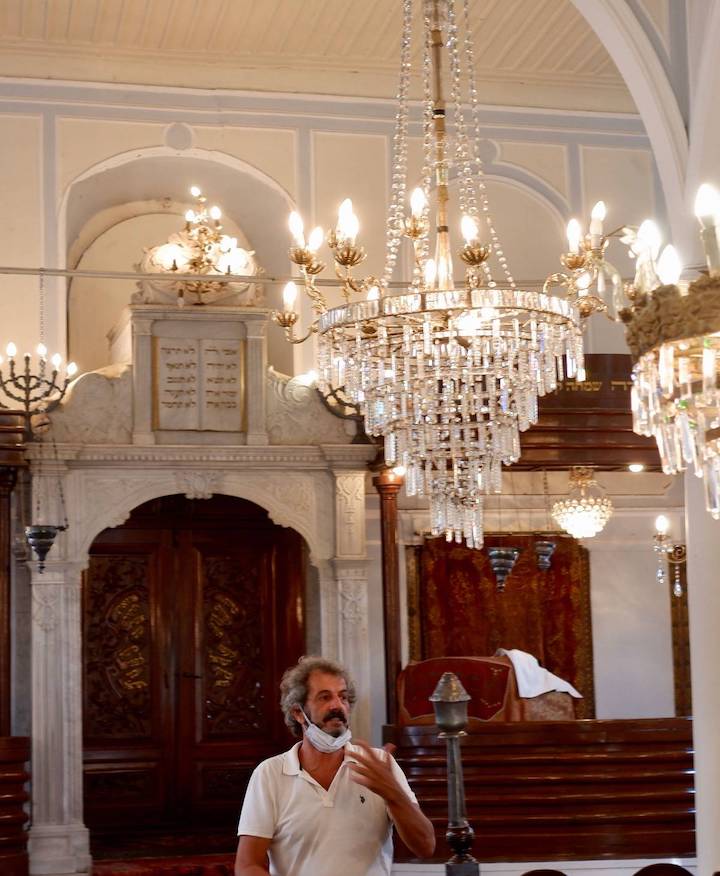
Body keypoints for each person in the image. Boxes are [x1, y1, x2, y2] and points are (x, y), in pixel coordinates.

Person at [235, 655, 436, 875]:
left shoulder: (380, 764)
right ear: (298, 713)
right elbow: (247, 865)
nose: (337, 705)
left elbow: (426, 847)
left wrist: (393, 794)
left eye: (343, 697)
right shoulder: (269, 774)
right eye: (324, 697)